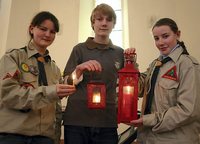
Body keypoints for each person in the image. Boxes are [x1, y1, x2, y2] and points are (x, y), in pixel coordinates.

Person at [0, 11, 76, 144]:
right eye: (43, 29)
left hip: (45, 138)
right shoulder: (13, 57)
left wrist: (56, 137)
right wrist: (51, 91)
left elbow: (56, 106)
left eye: (52, 32)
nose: (47, 34)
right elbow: (9, 94)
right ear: (31, 28)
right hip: (14, 136)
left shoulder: (54, 69)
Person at [63, 3, 132, 144]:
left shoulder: (120, 53)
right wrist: (78, 70)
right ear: (93, 23)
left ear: (114, 24)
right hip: (77, 120)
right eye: (99, 19)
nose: (104, 23)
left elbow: (131, 82)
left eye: (109, 20)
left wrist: (132, 62)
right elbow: (66, 84)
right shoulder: (79, 49)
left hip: (107, 121)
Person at [130, 18, 200, 144]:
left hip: (175, 140)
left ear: (177, 34)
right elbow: (139, 88)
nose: (160, 42)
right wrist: (131, 64)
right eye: (156, 38)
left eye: (165, 36)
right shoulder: (155, 64)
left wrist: (148, 120)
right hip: (148, 138)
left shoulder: (187, 64)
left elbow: (187, 110)